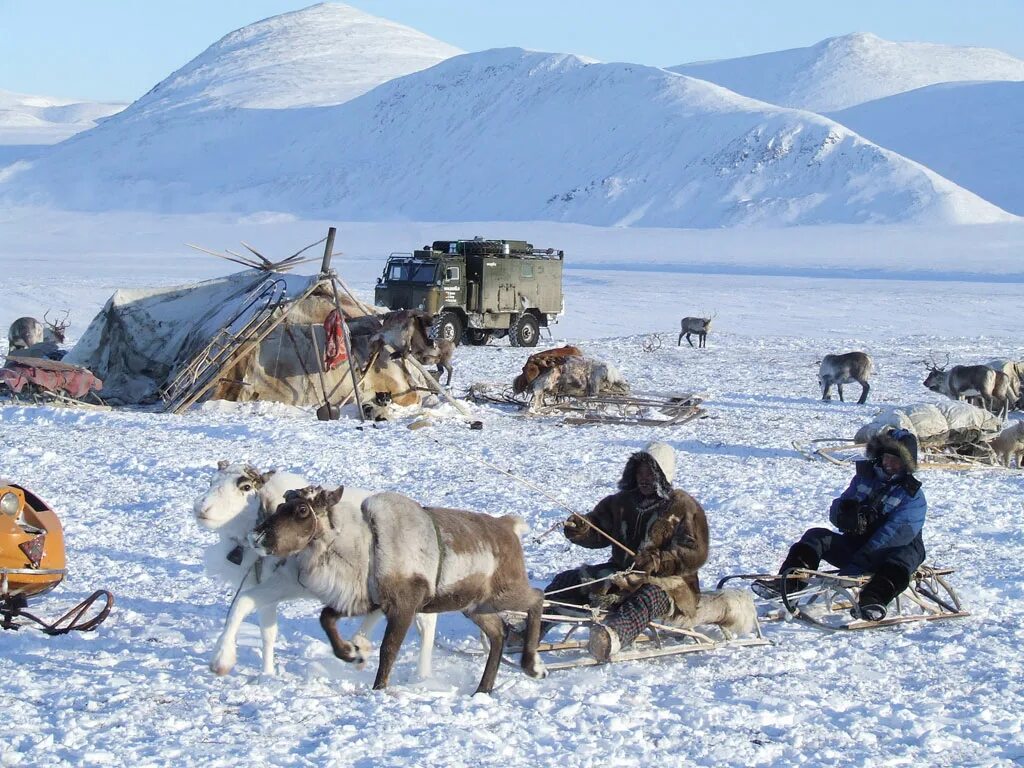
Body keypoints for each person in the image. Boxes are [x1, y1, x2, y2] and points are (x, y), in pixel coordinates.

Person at [542, 441, 709, 661]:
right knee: (567, 581)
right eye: (640, 472)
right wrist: (583, 529)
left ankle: (611, 637)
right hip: (621, 574)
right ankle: (530, 626)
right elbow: (599, 530)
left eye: (651, 472)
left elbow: (694, 552)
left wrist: (657, 561)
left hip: (671, 584)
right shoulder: (621, 502)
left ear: (664, 474)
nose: (644, 478)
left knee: (647, 596)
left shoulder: (682, 506)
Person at [755, 428, 926, 621]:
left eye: (896, 460)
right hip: (860, 545)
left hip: (894, 549)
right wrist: (844, 514)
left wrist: (856, 565)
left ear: (906, 464)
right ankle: (788, 584)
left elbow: (892, 536)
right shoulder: (865, 478)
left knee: (900, 561)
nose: (889, 464)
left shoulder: (912, 497)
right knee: (816, 536)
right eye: (887, 458)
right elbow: (840, 504)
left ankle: (873, 599)